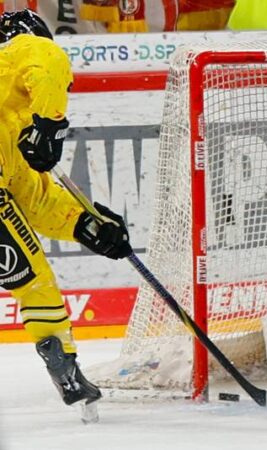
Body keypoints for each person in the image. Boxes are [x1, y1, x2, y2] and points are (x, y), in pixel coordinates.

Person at [0, 9, 133, 410]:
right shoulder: (18, 48)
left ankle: (65, 367)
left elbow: (34, 199)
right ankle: (66, 370)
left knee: (30, 274)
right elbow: (47, 58)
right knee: (34, 283)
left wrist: (87, 224)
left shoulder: (8, 115)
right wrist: (48, 125)